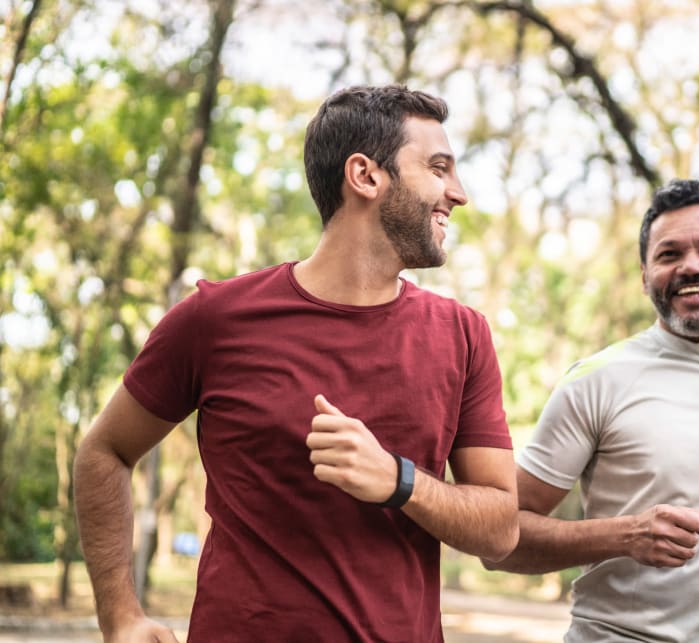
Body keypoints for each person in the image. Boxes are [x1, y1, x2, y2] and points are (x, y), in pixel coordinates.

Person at [73, 84, 519, 642]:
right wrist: (120, 616)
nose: (458, 193)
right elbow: (104, 451)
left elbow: (500, 528)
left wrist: (398, 480)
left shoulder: (463, 336)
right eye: (438, 168)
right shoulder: (215, 318)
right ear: (365, 176)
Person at [485, 179, 699, 642]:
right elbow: (498, 540)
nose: (692, 266)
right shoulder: (596, 380)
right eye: (668, 255)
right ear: (645, 275)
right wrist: (623, 536)